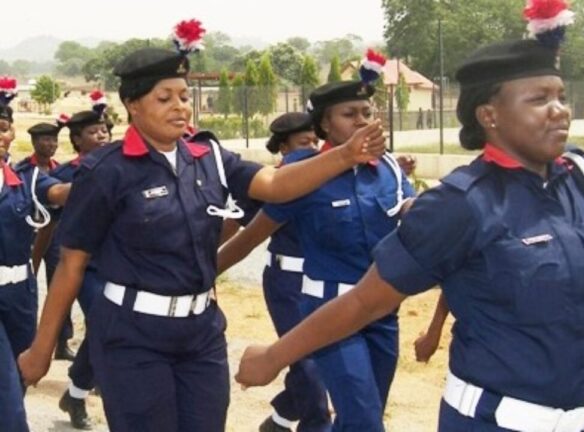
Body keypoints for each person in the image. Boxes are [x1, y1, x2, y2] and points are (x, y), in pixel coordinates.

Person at [232, 36, 584, 432]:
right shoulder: (461, 202)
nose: (559, 109)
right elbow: (366, 301)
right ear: (489, 114)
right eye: (538, 99)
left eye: (560, 95)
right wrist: (276, 354)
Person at [17, 19, 386, 432]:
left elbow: (276, 184)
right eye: (164, 98)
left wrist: (343, 156)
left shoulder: (208, 157)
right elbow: (71, 264)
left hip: (201, 334)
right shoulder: (107, 171)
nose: (180, 106)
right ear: (134, 106)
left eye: (183, 96)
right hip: (132, 337)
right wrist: (42, 347)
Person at [223, 49, 414, 430]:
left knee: (367, 414)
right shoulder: (303, 173)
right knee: (362, 419)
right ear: (325, 125)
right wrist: (200, 273)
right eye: (349, 114)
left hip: (382, 309)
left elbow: (408, 214)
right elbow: (255, 233)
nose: (362, 121)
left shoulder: (389, 168)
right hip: (329, 307)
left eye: (366, 113)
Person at [218, 111, 331, 432]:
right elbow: (238, 229)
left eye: (314, 141)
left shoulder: (327, 175)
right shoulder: (272, 183)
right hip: (287, 284)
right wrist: (200, 268)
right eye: (302, 142)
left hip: (324, 281)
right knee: (307, 360)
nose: (311, 147)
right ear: (284, 147)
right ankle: (317, 424)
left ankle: (280, 418)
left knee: (320, 356)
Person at [1, 79, 70, 432]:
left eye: (4, 128)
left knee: (19, 375)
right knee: (8, 403)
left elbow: (60, 192)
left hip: (19, 295)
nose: (0, 135)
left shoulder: (25, 180)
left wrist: (106, 175)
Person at [44, 104, 112, 430]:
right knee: (103, 320)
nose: (102, 136)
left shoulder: (122, 167)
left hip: (119, 265)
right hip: (83, 267)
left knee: (114, 327)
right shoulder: (64, 175)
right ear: (76, 140)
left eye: (105, 131)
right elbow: (45, 214)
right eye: (93, 133)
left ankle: (76, 392)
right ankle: (79, 389)